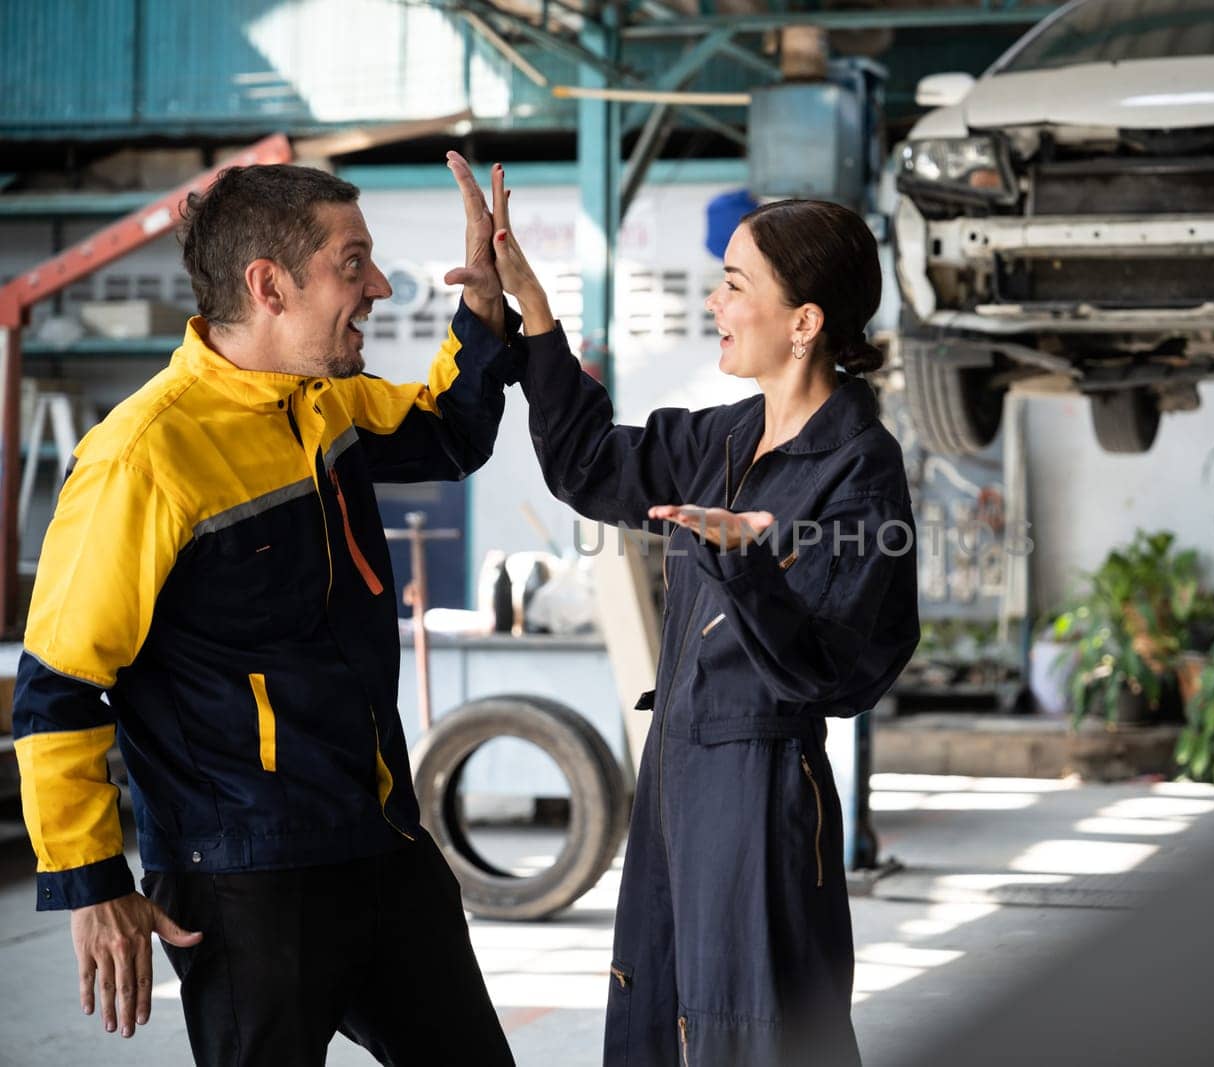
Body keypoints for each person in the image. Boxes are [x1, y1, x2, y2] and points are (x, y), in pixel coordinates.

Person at [11, 153, 522, 1066]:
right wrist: (90, 881)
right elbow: (59, 686)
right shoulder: (145, 458)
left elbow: (449, 432)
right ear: (268, 285)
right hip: (244, 879)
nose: (380, 284)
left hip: (380, 840)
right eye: (352, 261)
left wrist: (484, 301)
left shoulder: (321, 406)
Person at [488, 178, 921, 1065]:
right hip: (676, 769)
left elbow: (830, 672)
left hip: (761, 789)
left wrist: (744, 560)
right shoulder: (723, 438)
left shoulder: (859, 470)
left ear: (803, 322)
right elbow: (587, 465)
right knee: (658, 1007)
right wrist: (533, 312)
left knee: (751, 1028)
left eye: (734, 283)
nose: (715, 302)